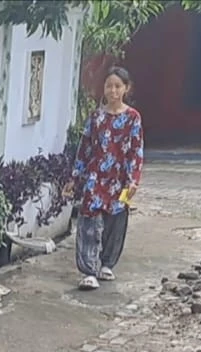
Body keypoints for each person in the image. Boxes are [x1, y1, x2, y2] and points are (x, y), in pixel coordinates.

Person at [71, 66, 144, 291]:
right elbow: (84, 148)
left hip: (120, 178)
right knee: (89, 221)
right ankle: (88, 270)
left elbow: (136, 150)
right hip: (95, 177)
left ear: (126, 89)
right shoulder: (96, 117)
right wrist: (75, 176)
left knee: (116, 221)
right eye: (108, 86)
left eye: (117, 86)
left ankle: (107, 263)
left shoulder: (133, 118)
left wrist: (133, 180)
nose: (112, 91)